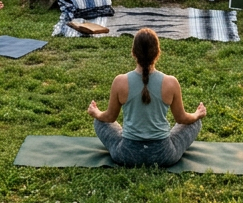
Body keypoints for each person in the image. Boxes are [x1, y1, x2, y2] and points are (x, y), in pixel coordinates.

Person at [88, 28, 207, 167]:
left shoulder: (120, 81)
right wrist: (197, 114)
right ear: (158, 52)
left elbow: (109, 118)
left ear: (133, 52)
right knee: (195, 122)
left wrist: (95, 113)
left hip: (127, 155)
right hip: (164, 155)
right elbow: (182, 119)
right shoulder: (171, 82)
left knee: (99, 121)